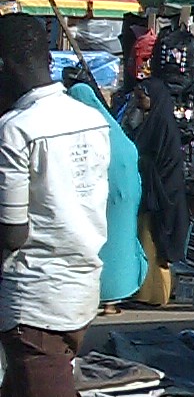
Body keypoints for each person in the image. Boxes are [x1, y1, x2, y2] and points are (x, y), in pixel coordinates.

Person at [0, 13, 115, 397]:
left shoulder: (16, 130)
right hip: (76, 291)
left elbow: (12, 231)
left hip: (32, 297)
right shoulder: (89, 117)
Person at [64, 76, 146, 308]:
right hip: (125, 200)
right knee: (121, 244)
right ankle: (114, 298)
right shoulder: (115, 132)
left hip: (97, 200)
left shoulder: (81, 133)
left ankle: (98, 294)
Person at [127, 76, 188, 308]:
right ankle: (144, 292)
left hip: (164, 194)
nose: (139, 101)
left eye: (141, 97)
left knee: (156, 244)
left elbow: (161, 163)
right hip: (154, 192)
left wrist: (138, 159)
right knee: (147, 242)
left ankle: (156, 295)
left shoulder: (162, 124)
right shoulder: (151, 121)